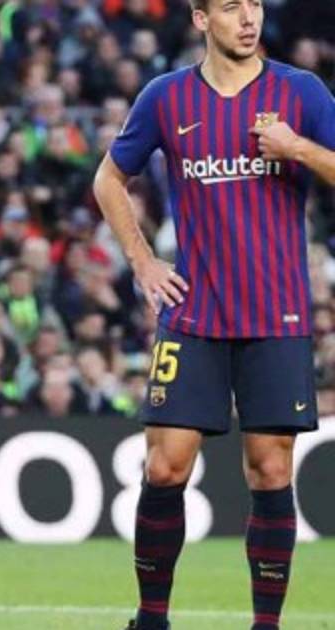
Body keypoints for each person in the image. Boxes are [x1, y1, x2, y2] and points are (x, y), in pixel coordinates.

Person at [92, 1, 335, 629]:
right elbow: (108, 180)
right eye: (231, 6)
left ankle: (265, 624)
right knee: (164, 465)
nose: (248, 18)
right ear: (202, 20)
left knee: (271, 469)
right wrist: (143, 261)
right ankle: (151, 619)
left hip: (276, 315)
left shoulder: (302, 92)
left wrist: (298, 147)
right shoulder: (166, 96)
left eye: (254, 4)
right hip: (194, 313)